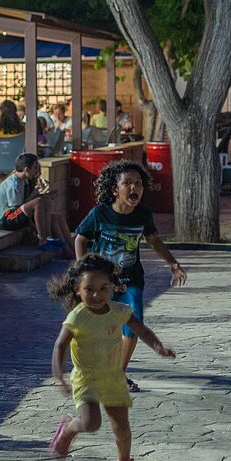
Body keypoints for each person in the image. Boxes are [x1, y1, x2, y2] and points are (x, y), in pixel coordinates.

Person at [48, 255, 177, 461]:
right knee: (91, 423)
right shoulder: (77, 317)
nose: (97, 295)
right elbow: (60, 345)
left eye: (103, 288)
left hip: (113, 377)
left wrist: (158, 346)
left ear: (112, 286)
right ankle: (69, 429)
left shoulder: (120, 310)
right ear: (78, 290)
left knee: (122, 426)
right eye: (89, 289)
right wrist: (59, 376)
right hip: (86, 378)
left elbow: (141, 329)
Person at [74, 160, 187, 392]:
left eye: (138, 183)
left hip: (132, 279)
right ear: (115, 189)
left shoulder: (143, 214)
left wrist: (173, 263)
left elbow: (154, 240)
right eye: (127, 183)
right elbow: (80, 238)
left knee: (132, 325)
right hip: (103, 282)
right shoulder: (100, 213)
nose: (134, 188)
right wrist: (83, 270)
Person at [0, 153, 75, 257]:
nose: (36, 171)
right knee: (38, 202)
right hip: (6, 219)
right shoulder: (13, 185)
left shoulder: (24, 181)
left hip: (16, 214)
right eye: (35, 168)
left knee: (53, 212)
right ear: (27, 169)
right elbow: (17, 208)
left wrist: (47, 195)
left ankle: (69, 248)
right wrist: (34, 195)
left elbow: (26, 205)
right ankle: (42, 239)